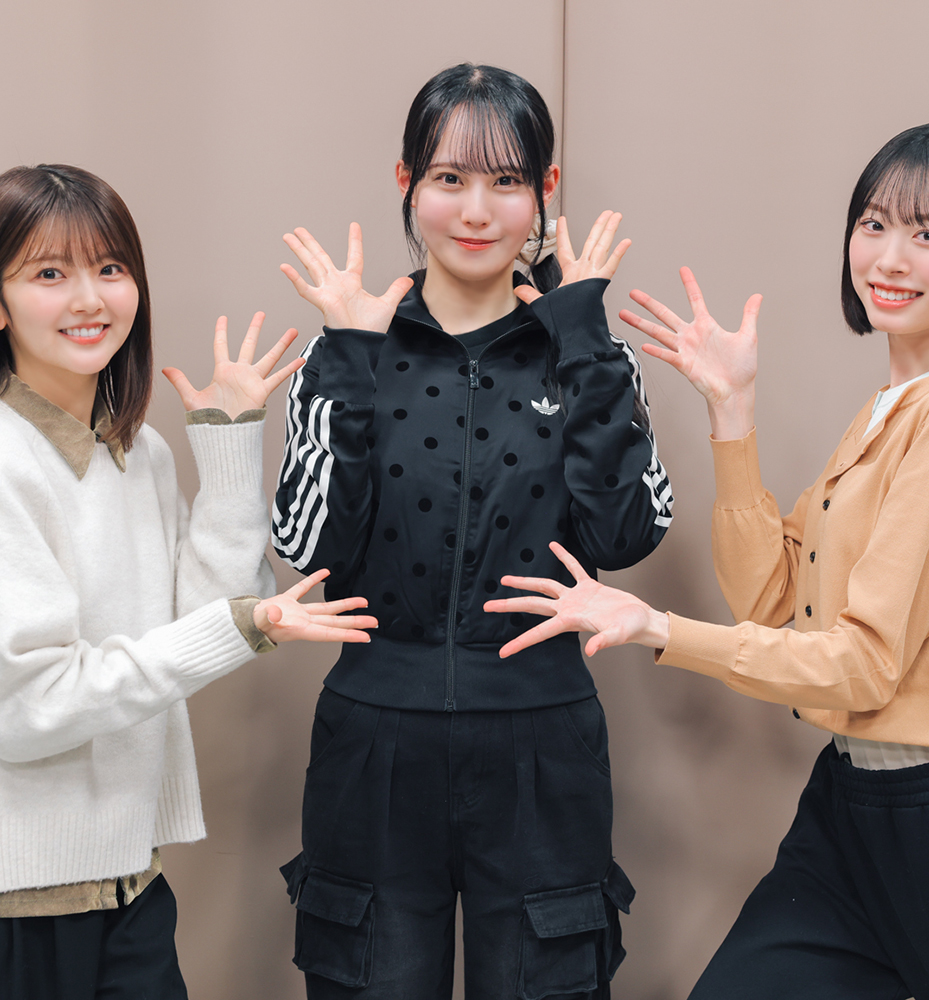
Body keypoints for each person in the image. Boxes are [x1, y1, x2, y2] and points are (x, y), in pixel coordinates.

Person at [487, 122, 929, 999]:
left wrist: (656, 628)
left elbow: (863, 665)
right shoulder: (893, 406)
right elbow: (772, 596)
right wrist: (732, 414)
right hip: (855, 811)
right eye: (874, 224)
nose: (889, 257)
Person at [0, 163, 375, 999]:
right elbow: (29, 708)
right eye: (48, 274)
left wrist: (229, 436)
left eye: (109, 267)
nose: (89, 298)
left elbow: (202, 627)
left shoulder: (137, 453)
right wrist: (240, 625)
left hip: (123, 889)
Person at [270, 63, 672, 999]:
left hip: (543, 745)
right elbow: (305, 544)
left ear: (545, 192)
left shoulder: (590, 352)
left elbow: (628, 531)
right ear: (407, 183)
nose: (478, 210)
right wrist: (351, 357)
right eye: (449, 178)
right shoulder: (348, 345)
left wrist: (584, 340)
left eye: (507, 181)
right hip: (375, 745)